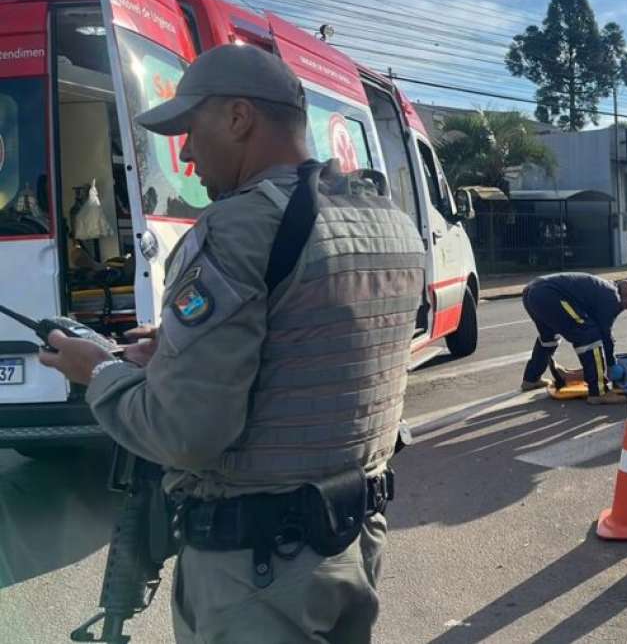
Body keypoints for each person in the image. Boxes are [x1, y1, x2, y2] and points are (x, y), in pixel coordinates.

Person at [38, 45, 426, 642]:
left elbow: (184, 433)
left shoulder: (237, 228)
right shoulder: (388, 221)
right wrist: (180, 348)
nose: (186, 153)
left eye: (191, 130)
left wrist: (99, 372)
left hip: (260, 569)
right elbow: (320, 343)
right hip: (355, 539)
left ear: (240, 117)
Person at [519, 272, 627, 402]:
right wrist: (611, 363)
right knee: (589, 336)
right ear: (626, 295)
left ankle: (531, 379)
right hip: (549, 294)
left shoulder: (602, 288)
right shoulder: (612, 297)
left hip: (532, 292)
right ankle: (599, 392)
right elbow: (605, 333)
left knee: (549, 338)